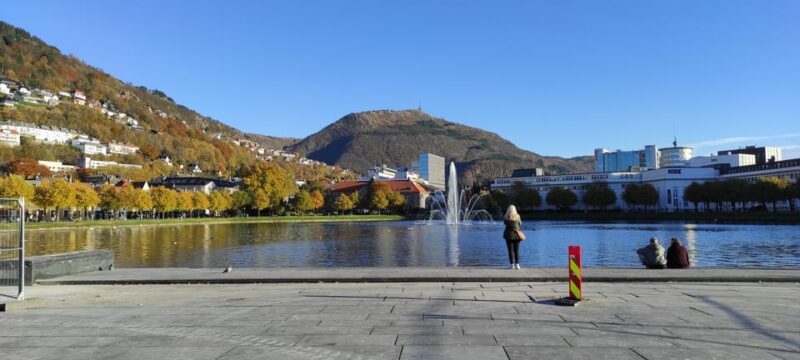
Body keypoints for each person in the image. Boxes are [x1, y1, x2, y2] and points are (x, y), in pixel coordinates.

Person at [503, 205, 523, 270]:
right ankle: (517, 265)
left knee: (510, 251)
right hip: (517, 235)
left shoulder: (506, 217)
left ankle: (512, 265)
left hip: (508, 235)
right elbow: (520, 224)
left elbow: (505, 223)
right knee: (516, 250)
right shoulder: (518, 216)